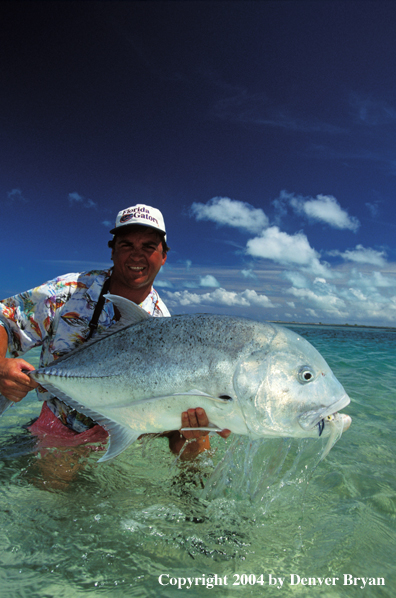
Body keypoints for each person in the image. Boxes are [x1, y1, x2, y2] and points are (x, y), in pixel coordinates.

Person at [0, 204, 230, 460]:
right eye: (127, 245)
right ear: (112, 251)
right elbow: (5, 318)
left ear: (163, 256)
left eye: (149, 247)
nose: (136, 256)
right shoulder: (69, 291)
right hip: (67, 423)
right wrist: (0, 365)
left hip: (133, 425)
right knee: (53, 486)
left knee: (198, 437)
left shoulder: (163, 321)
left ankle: (189, 498)